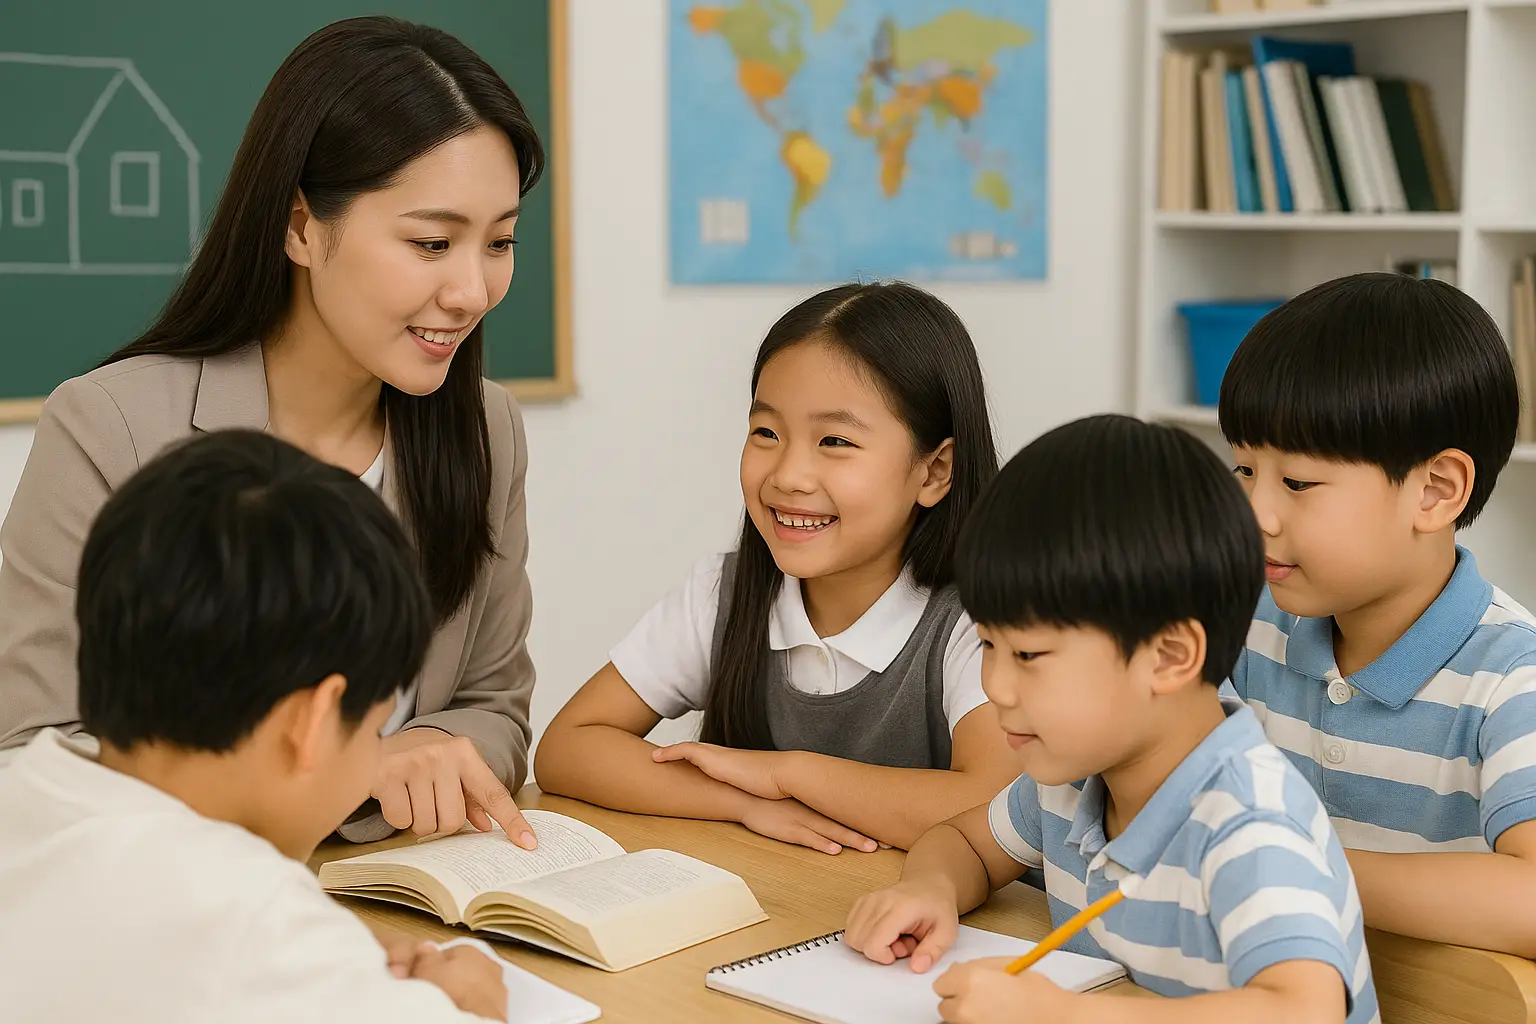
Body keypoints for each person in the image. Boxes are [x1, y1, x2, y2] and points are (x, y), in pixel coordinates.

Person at [0, 16, 541, 845]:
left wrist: (436, 744)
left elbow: (496, 707)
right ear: (298, 226)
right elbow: (27, 754)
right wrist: (357, 771)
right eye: (432, 242)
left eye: (499, 242)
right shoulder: (111, 427)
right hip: (180, 913)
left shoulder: (484, 431)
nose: (473, 290)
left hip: (401, 899)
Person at [845, 415, 1377, 1024]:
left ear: (1170, 656)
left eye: (1029, 656)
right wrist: (929, 889)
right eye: (989, 645)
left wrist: (1057, 1016)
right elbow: (963, 840)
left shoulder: (1248, 819)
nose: (994, 684)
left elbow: (1305, 1011)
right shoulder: (1071, 778)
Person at [0, 430, 511, 1022]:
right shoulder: (252, 919)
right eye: (373, 733)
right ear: (312, 721)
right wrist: (473, 1005)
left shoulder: (28, 788)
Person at [536, 282, 1019, 852]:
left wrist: (785, 775)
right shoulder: (726, 592)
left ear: (935, 472)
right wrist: (746, 803)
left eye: (835, 440)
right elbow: (568, 747)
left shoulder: (979, 621)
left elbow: (997, 804)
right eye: (766, 432)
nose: (788, 474)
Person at [1220, 272, 1536, 957]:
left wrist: (1294, 867)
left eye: (1297, 482)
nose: (1256, 514)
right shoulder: (1245, 630)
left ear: (1434, 491)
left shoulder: (1514, 677)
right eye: (1244, 471)